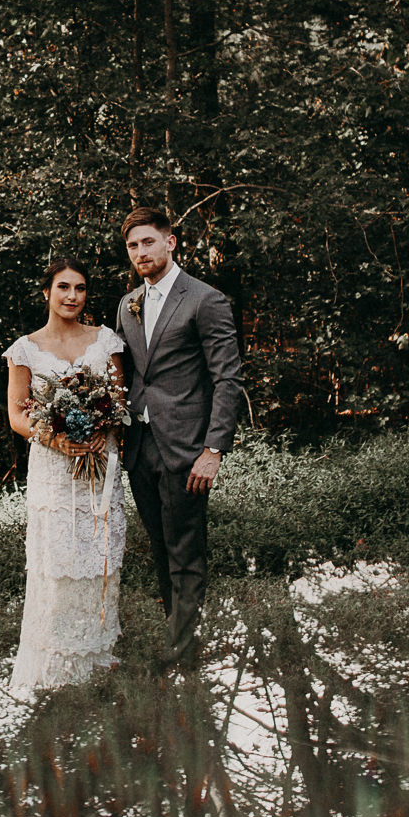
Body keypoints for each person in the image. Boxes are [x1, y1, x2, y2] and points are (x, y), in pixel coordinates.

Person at [114, 206, 242, 668]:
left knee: (186, 550)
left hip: (188, 449)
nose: (141, 252)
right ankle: (181, 640)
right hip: (140, 446)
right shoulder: (127, 305)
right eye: (133, 245)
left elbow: (227, 380)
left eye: (149, 241)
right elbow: (129, 375)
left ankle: (181, 654)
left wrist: (213, 450)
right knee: (161, 548)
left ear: (170, 242)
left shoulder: (205, 299)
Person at [3, 256, 129, 694]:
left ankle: (97, 656)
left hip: (98, 465)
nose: (72, 296)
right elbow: (18, 415)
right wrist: (57, 439)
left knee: (99, 558)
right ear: (47, 293)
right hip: (53, 471)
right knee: (57, 562)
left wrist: (103, 431)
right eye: (63, 287)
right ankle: (55, 663)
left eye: (79, 289)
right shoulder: (25, 349)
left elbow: (118, 400)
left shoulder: (104, 340)